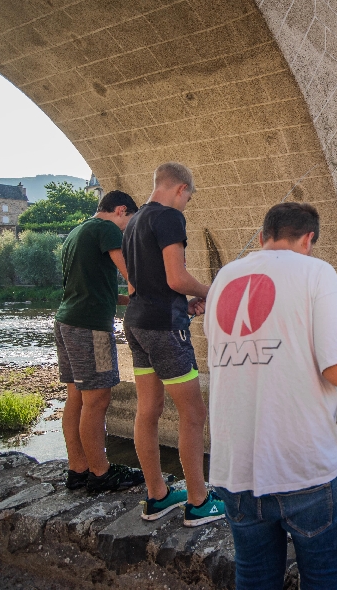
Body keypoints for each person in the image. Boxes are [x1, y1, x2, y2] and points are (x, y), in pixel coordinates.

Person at [206, 202, 337, 589]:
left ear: (263, 235)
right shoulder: (316, 272)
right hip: (306, 470)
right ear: (309, 239)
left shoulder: (224, 278)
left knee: (253, 578)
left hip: (235, 469)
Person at [122, 162, 224, 527]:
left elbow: (139, 286)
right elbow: (177, 277)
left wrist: (184, 304)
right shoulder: (169, 218)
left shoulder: (132, 222)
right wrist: (211, 292)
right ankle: (198, 502)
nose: (187, 206)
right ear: (180, 188)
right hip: (165, 330)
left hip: (136, 324)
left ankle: (157, 495)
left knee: (147, 409)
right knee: (193, 414)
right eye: (189, 198)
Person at [55, 190, 145, 493]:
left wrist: (128, 301)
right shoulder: (106, 228)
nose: (126, 230)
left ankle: (78, 469)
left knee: (77, 398)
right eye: (129, 222)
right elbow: (132, 274)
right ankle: (100, 473)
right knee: (98, 399)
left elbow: (92, 288)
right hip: (91, 329)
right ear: (121, 210)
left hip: (68, 322)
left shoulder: (77, 231)